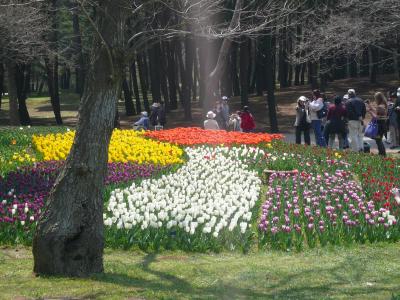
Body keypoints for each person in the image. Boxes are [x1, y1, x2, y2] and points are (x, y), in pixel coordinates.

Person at [366, 92, 388, 156]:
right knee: (379, 139)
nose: (375, 100)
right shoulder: (383, 104)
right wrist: (370, 105)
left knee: (378, 140)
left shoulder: (380, 106)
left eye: (375, 98)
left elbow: (376, 117)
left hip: (379, 126)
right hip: (382, 125)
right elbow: (377, 111)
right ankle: (382, 153)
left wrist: (369, 111)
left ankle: (382, 154)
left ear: (378, 98)